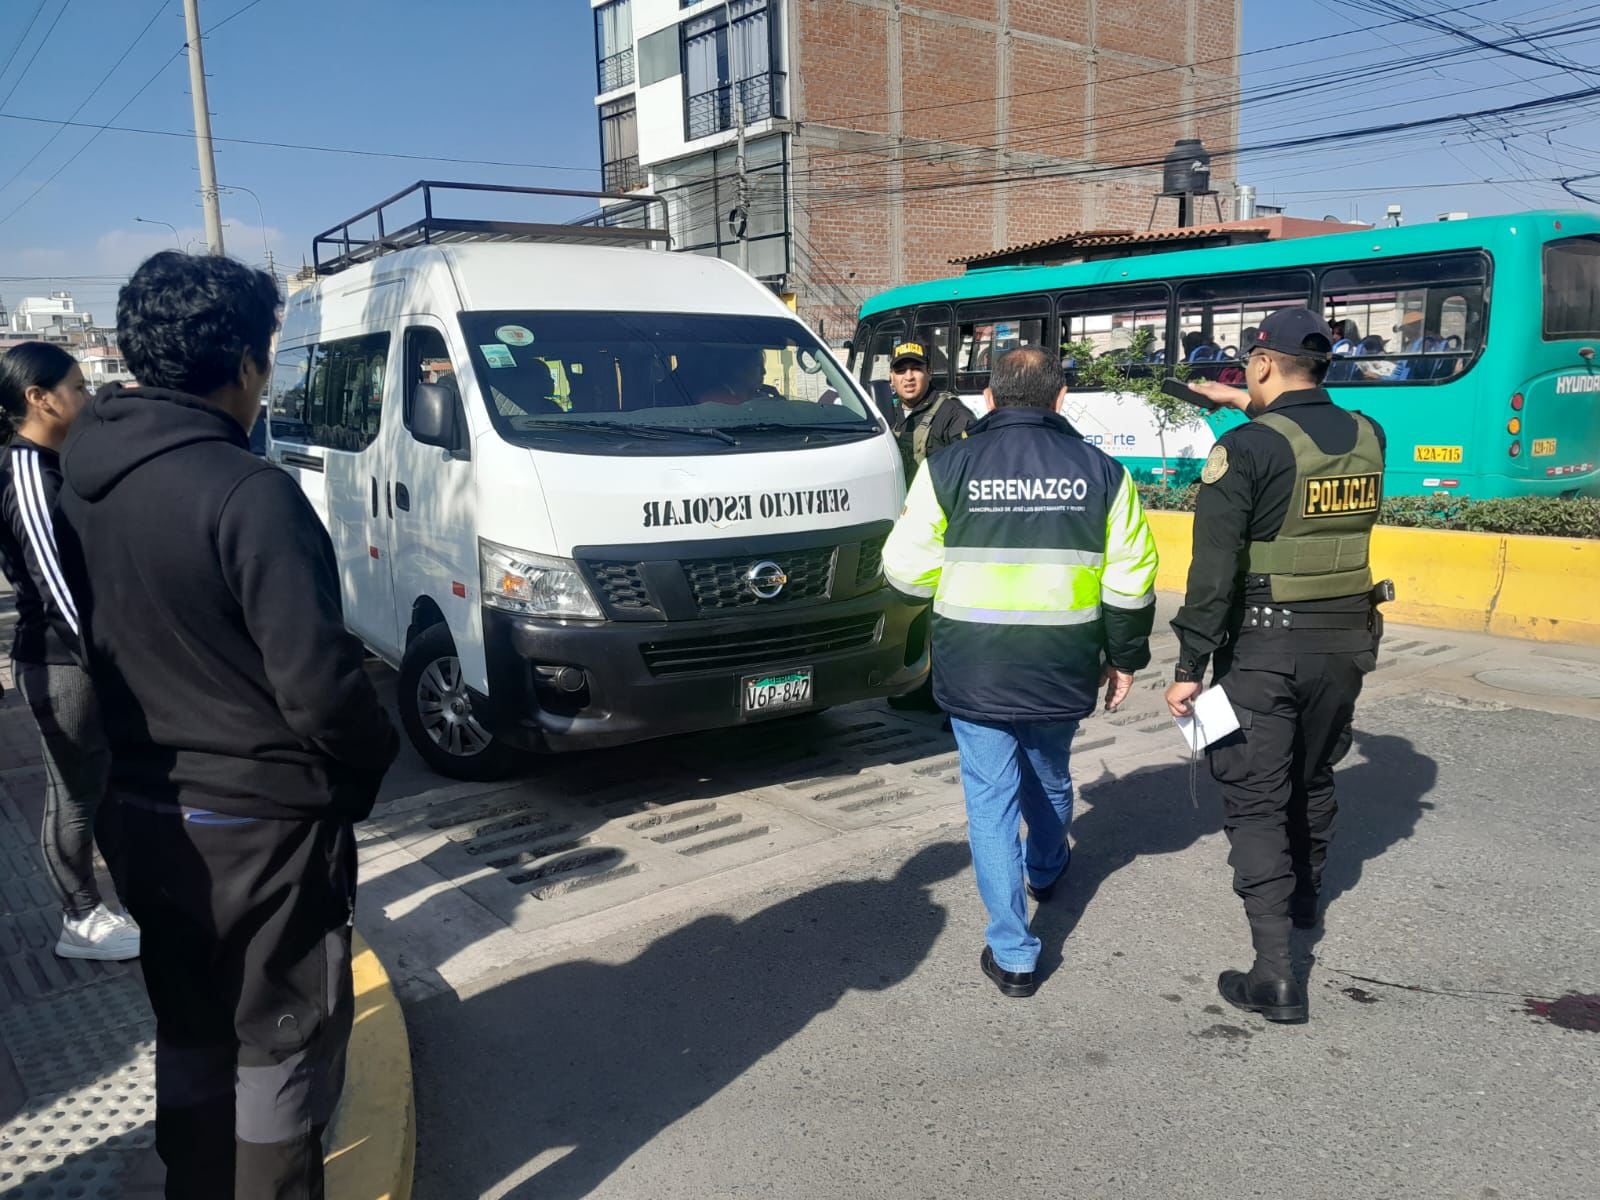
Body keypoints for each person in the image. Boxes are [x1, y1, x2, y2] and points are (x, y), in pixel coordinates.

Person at [54, 251, 400, 1199]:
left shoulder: (83, 481)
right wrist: (369, 762)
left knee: (190, 1027)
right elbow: (322, 689)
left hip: (143, 811)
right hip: (262, 832)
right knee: (278, 1049)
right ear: (245, 363)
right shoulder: (250, 493)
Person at [883, 347, 1159, 999]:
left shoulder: (948, 466)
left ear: (988, 398)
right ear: (1060, 399)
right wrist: (1124, 658)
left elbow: (904, 572)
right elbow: (1131, 580)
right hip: (1061, 662)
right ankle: (1047, 867)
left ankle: (1012, 953)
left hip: (973, 665)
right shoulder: (1104, 472)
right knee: (1050, 774)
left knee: (990, 800)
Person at [1168, 308, 1388, 1025]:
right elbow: (1303, 437)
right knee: (1313, 776)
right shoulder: (1368, 435)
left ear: (1261, 363)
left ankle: (1276, 976)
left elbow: (1213, 571)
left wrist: (1190, 665)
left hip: (1265, 648)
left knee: (1257, 797)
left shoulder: (1244, 450)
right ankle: (1303, 903)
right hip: (1346, 642)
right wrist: (1245, 401)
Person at [0, 344, 140, 961]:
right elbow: (55, 584)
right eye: (78, 388)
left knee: (100, 785)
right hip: (63, 663)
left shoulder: (55, 462)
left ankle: (125, 899)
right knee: (74, 796)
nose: (86, 397)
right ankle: (79, 919)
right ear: (39, 399)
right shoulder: (27, 472)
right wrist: (106, 661)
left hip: (83, 658)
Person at [884, 339, 973, 713]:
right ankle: (918, 687)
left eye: (916, 369)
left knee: (946, 619)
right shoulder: (888, 415)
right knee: (914, 613)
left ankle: (952, 698)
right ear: (891, 378)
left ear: (928, 373)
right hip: (908, 532)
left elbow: (970, 470)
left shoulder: (952, 414)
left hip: (944, 535)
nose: (909, 376)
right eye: (901, 370)